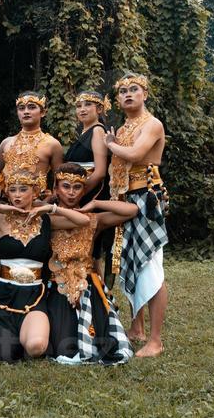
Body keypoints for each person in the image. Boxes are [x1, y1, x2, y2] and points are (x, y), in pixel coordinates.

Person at [0, 170, 89, 362]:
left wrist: (50, 208)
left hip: (34, 294)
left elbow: (84, 221)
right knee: (4, 356)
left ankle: (27, 335)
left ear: (34, 192)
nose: (17, 195)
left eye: (23, 189)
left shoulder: (45, 221)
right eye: (12, 190)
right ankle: (9, 334)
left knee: (36, 347)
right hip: (4, 294)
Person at [105, 73, 169, 358]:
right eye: (123, 91)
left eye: (134, 90)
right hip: (126, 197)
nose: (128, 94)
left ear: (145, 94)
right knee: (130, 262)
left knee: (150, 266)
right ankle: (137, 328)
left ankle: (155, 340)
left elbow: (135, 154)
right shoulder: (123, 127)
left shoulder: (151, 124)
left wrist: (109, 144)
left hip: (147, 197)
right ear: (118, 100)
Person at [45, 163, 134, 364]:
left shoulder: (93, 218)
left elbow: (131, 210)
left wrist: (96, 204)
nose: (71, 192)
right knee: (63, 344)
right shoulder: (48, 218)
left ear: (84, 190)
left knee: (103, 341)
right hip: (57, 284)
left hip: (87, 283)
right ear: (56, 189)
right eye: (65, 186)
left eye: (77, 187)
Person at [0, 90, 63, 196]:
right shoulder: (6, 143)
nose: (26, 111)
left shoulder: (52, 144)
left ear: (43, 112)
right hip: (6, 203)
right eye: (21, 108)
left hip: (36, 204)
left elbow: (59, 180)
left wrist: (48, 203)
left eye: (32, 107)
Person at [64, 90, 110, 201]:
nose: (82, 109)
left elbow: (99, 172)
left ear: (99, 109)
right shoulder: (85, 132)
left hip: (90, 194)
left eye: (88, 104)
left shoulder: (97, 130)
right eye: (79, 106)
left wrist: (78, 194)